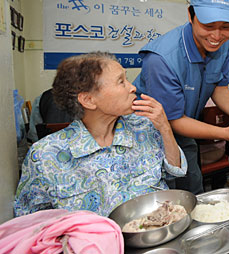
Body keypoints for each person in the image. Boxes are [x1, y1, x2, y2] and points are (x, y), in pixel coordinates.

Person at [134, 0, 229, 194]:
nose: (216, 36)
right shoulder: (162, 59)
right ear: (190, 15)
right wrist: (228, 133)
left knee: (192, 191)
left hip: (187, 131)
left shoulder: (222, 45)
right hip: (148, 137)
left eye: (225, 27)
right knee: (164, 198)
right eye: (208, 26)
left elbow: (219, 87)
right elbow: (173, 119)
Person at [14, 52, 187, 217]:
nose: (132, 87)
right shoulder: (45, 156)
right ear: (88, 100)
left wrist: (165, 127)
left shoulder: (143, 126)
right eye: (121, 82)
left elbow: (174, 172)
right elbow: (30, 221)